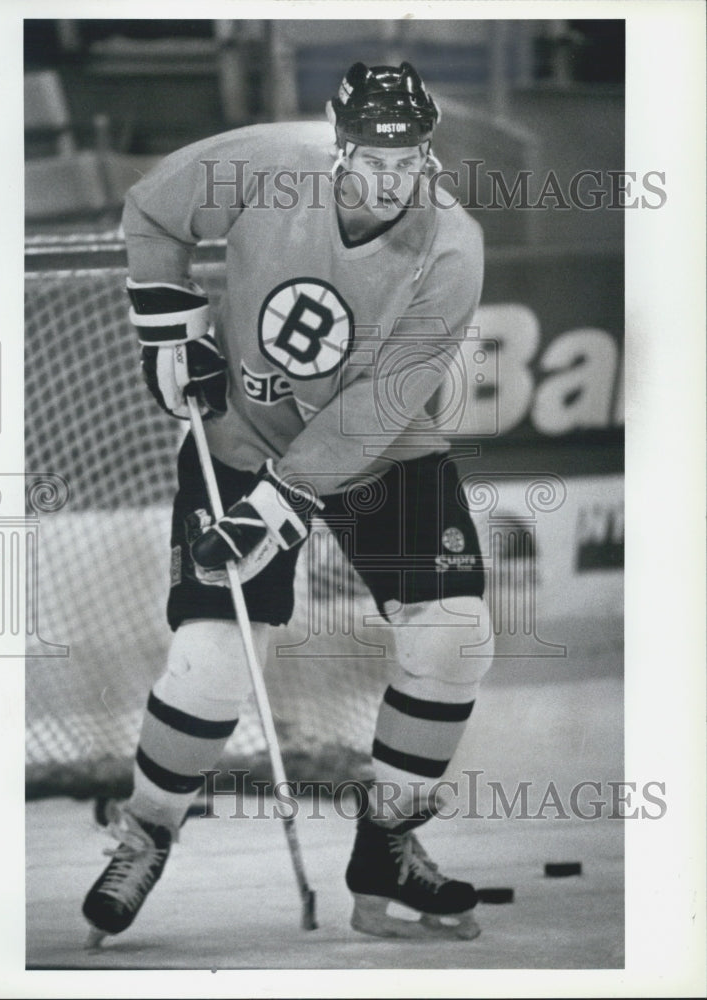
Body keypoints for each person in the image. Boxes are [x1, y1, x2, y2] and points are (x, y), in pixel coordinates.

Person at [82, 60, 494, 945]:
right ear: (339, 145)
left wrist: (283, 505)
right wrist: (168, 323)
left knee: (454, 629)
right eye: (375, 157)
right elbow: (154, 207)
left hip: (380, 447)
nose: (393, 179)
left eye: (410, 158)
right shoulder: (268, 162)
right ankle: (145, 832)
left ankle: (386, 847)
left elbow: (378, 407)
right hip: (240, 433)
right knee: (213, 657)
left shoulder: (452, 246)